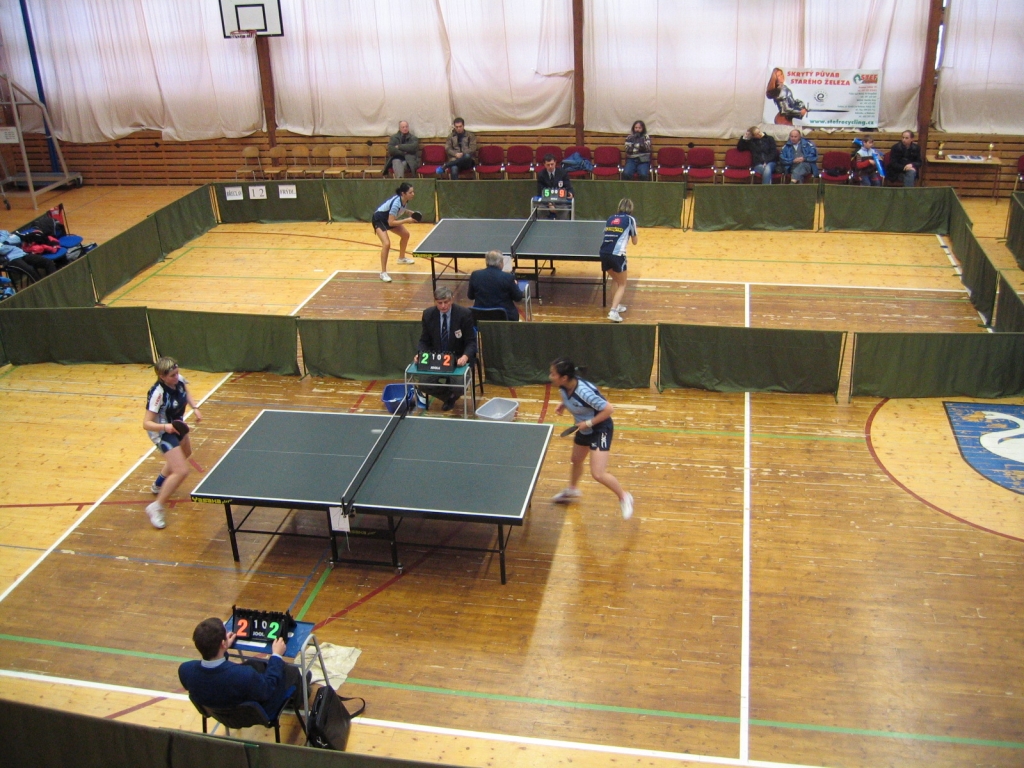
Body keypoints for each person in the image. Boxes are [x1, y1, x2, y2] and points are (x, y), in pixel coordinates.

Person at [549, 357, 633, 520]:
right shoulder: (564, 386)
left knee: (598, 473)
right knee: (576, 459)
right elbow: (571, 398)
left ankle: (624, 497)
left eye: (553, 374)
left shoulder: (584, 392)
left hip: (600, 428)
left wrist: (588, 423)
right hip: (584, 426)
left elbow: (609, 409)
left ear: (564, 377)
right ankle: (572, 490)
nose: (550, 376)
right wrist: (564, 404)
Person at [178, 617, 306, 715]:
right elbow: (268, 689)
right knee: (292, 671)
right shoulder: (244, 675)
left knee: (255, 665)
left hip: (219, 714)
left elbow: (213, 679)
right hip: (258, 714)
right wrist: (276, 655)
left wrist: (223, 649)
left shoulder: (185, 670)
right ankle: (301, 699)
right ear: (222, 643)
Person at [143, 357, 201, 529]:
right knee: (181, 470)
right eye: (172, 375)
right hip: (162, 432)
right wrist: (165, 427)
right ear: (162, 376)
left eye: (177, 373)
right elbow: (146, 423)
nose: (177, 377)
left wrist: (195, 408)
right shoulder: (158, 393)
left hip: (177, 425)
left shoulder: (179, 380)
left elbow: (186, 392)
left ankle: (158, 484)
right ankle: (156, 507)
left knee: (185, 454)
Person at [414, 286, 478, 411]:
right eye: (440, 303)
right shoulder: (428, 314)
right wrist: (420, 354)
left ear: (452, 299)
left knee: (460, 386)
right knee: (423, 383)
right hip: (436, 359)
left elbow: (471, 342)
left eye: (446, 302)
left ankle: (453, 393)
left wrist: (465, 356)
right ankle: (449, 397)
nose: (443, 306)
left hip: (457, 358)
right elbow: (424, 341)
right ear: (435, 302)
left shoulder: (464, 314)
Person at [601, 198, 638, 324]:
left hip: (604, 253)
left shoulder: (610, 218)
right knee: (622, 284)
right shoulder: (630, 220)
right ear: (631, 209)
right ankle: (613, 311)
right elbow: (635, 241)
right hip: (617, 254)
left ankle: (616, 306)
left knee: (615, 279)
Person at [372, 182, 417, 282]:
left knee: (405, 235)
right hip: (379, 219)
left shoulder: (404, 200)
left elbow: (400, 209)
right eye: (410, 192)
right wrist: (407, 220)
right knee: (386, 244)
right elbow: (391, 223)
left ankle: (401, 258)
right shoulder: (396, 203)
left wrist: (408, 212)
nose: (413, 194)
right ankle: (383, 273)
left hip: (388, 219)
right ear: (403, 193)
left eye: (413, 192)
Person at [468, 250, 523, 321]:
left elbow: (470, 296)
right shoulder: (508, 277)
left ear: (487, 262)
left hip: (480, 317)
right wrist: (515, 285)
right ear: (500, 263)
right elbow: (518, 297)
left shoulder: (475, 275)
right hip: (505, 318)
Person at [535, 153, 574, 220]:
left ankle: (561, 226)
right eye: (548, 165)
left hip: (560, 202)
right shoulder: (541, 175)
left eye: (552, 164)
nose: (550, 166)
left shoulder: (563, 173)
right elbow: (540, 191)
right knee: (540, 209)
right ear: (544, 164)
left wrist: (571, 193)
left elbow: (568, 187)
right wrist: (550, 204)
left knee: (564, 210)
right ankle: (544, 225)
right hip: (546, 202)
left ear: (555, 163)